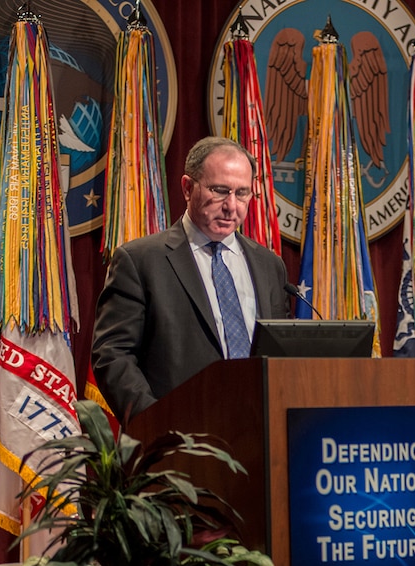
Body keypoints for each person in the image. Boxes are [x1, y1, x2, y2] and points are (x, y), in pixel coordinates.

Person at [92, 136, 290, 420]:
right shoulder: (140, 261)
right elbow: (112, 356)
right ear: (187, 187)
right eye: (220, 191)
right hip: (179, 440)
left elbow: (279, 357)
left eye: (242, 193)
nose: (232, 206)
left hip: (260, 431)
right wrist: (156, 423)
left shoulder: (269, 266)